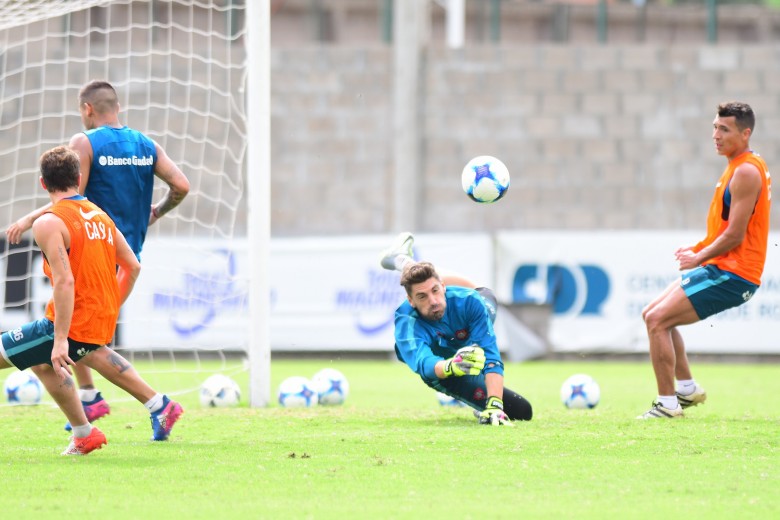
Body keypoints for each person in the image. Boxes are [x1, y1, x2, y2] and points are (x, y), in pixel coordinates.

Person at [5, 80, 190, 427]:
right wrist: (156, 212)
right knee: (87, 338)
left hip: (90, 246)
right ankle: (97, 401)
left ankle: (116, 407)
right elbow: (181, 186)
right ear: (116, 106)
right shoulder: (146, 144)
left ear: (88, 109)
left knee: (75, 336)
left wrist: (32, 219)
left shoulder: (84, 142)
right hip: (123, 247)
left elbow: (72, 198)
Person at [638, 101, 772, 419]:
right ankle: (685, 389)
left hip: (735, 274)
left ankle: (667, 405)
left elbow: (736, 236)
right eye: (714, 127)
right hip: (722, 266)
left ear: (745, 133)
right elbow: (723, 229)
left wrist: (699, 256)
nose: (716, 134)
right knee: (652, 315)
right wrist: (698, 247)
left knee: (658, 321)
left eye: (724, 129)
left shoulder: (746, 172)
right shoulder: (738, 165)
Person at [380, 232, 533, 426]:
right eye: (422, 296)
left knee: (523, 411)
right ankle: (405, 262)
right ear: (411, 301)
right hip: (443, 370)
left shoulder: (468, 301)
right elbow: (425, 365)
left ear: (444, 286)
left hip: (468, 335)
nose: (433, 301)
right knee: (516, 410)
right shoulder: (406, 323)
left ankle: (404, 262)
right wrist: (451, 366)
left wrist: (494, 405)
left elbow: (490, 354)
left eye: (435, 290)